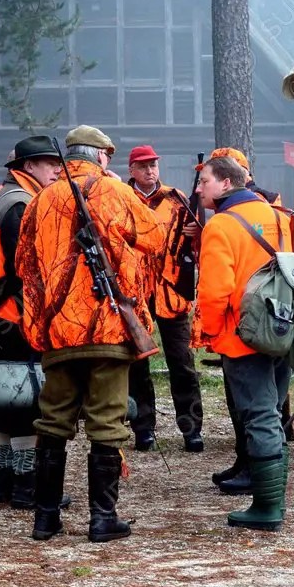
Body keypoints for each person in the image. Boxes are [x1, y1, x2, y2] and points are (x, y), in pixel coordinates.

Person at [16, 125, 164, 542]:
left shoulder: (40, 200)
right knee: (106, 423)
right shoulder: (115, 192)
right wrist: (126, 194)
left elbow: (23, 266)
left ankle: (45, 519)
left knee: (54, 421)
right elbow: (154, 238)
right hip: (110, 328)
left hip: (59, 332)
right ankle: (103, 519)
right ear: (100, 157)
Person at [194, 155, 294, 532]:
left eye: (205, 181)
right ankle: (271, 500)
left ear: (226, 183)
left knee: (258, 416)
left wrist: (210, 334)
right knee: (273, 412)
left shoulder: (221, 226)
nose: (199, 189)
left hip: (243, 336)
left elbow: (214, 292)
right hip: (284, 332)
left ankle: (267, 506)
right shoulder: (284, 218)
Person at [0, 135, 64, 508]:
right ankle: (27, 487)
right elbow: (26, 268)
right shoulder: (22, 205)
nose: (57, 170)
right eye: (49, 164)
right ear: (28, 167)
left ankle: (4, 483)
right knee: (27, 402)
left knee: (7, 403)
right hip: (17, 315)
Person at [125, 144, 205, 453]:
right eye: (143, 166)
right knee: (138, 364)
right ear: (131, 170)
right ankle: (143, 429)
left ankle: (191, 430)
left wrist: (197, 233)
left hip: (171, 293)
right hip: (135, 294)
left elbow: (196, 245)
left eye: (153, 165)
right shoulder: (121, 198)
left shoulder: (178, 199)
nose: (150, 170)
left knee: (182, 364)